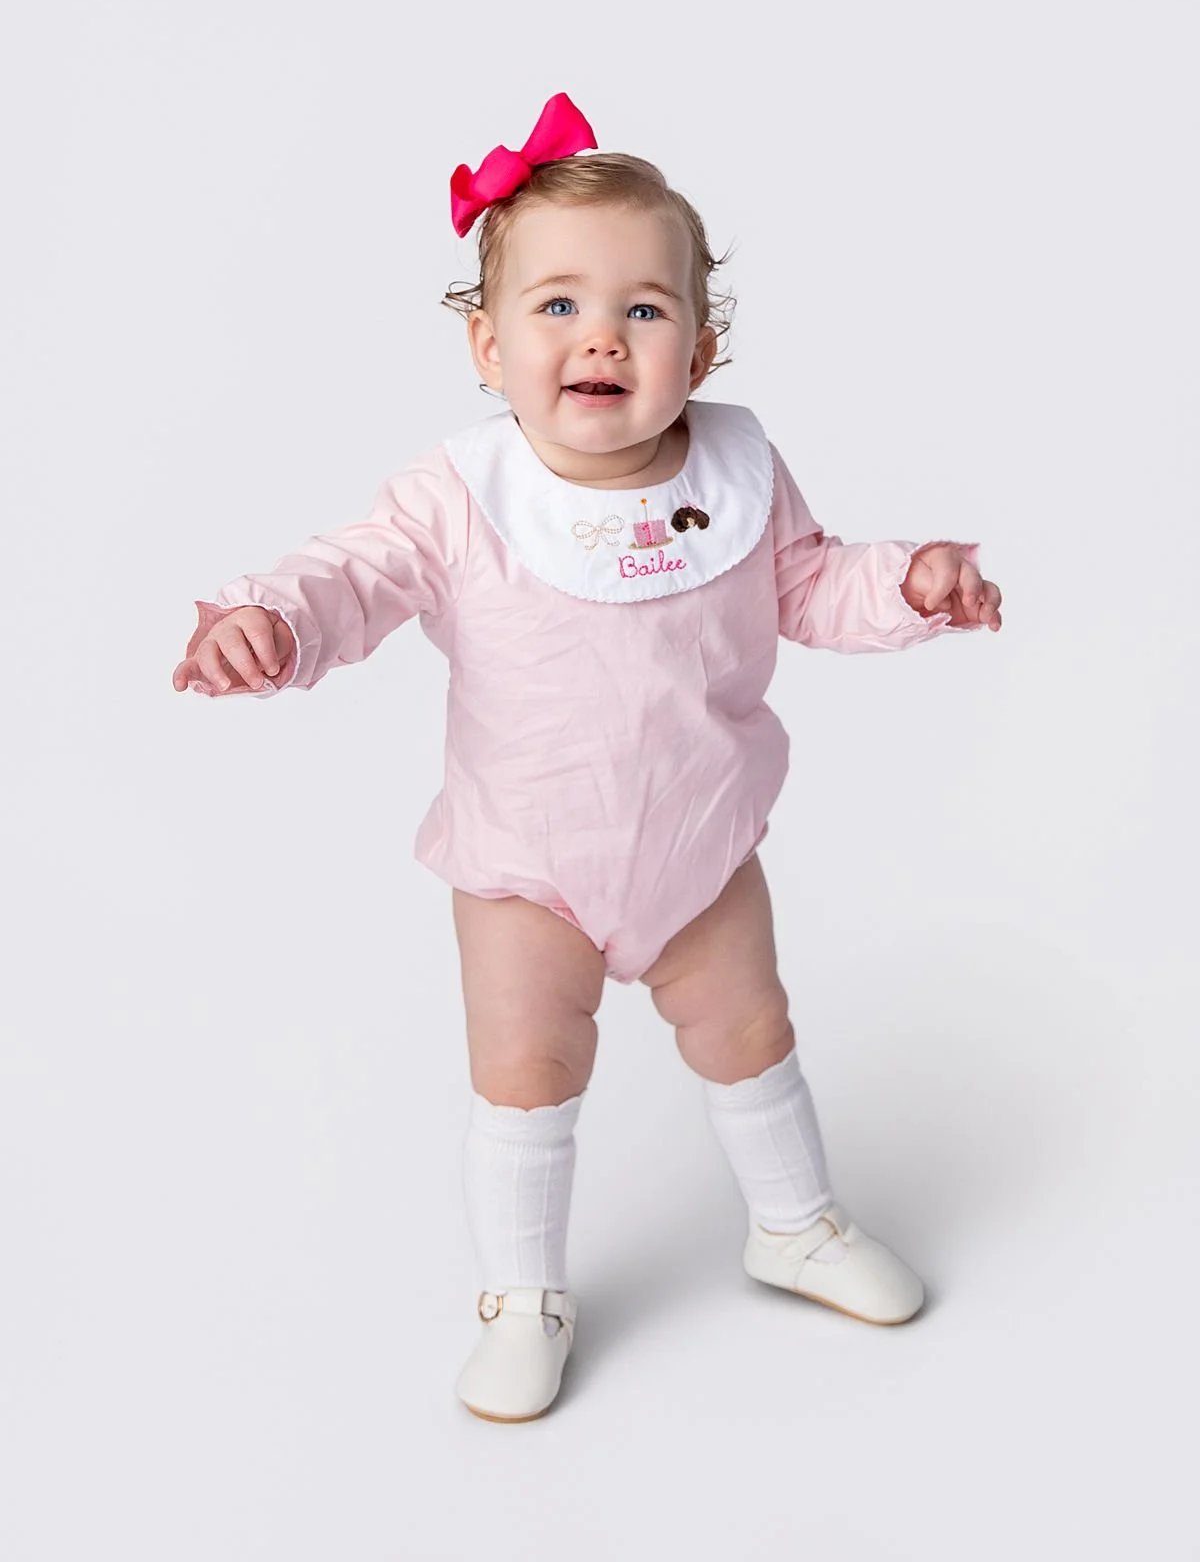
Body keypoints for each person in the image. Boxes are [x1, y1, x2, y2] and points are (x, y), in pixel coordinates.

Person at [172, 91, 1003, 1425]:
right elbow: (359, 575)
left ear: (704, 344)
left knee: (750, 1030)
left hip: (700, 842)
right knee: (526, 1068)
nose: (601, 334)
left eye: (645, 308)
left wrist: (913, 581)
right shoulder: (461, 497)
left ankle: (792, 1222)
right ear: (486, 345)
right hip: (526, 862)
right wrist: (274, 616)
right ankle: (522, 1297)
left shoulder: (738, 469)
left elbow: (811, 584)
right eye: (556, 306)